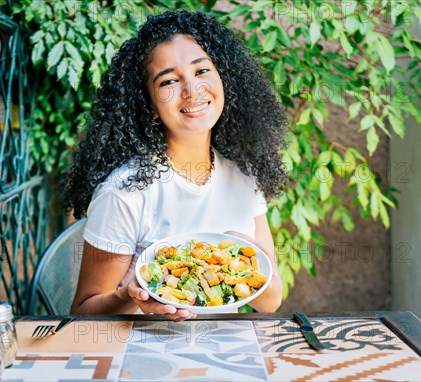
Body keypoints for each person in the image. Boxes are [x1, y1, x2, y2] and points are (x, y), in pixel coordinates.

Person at [64, 10, 287, 321]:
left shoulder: (243, 177)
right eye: (169, 80)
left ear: (224, 81)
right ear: (150, 107)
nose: (192, 90)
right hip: (143, 355)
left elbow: (270, 303)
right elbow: (83, 312)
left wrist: (259, 264)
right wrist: (130, 295)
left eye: (201, 71)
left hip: (228, 352)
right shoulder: (124, 192)